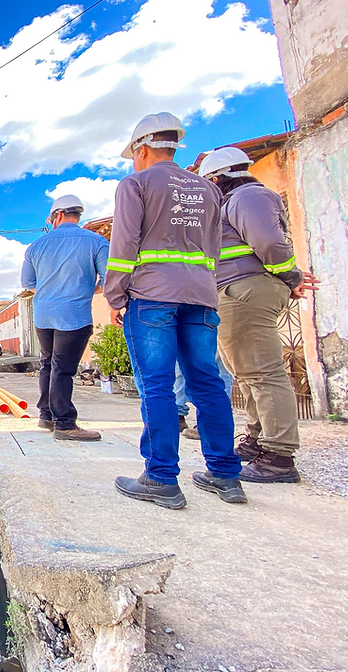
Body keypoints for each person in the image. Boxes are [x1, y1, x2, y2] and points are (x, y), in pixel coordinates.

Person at [105, 113, 245, 508]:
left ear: (142, 149)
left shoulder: (136, 184)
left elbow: (124, 246)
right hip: (201, 296)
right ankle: (225, 475)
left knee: (158, 386)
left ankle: (161, 477)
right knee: (208, 384)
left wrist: (116, 296)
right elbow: (213, 249)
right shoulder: (208, 189)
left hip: (151, 296)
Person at [198, 147, 319, 483]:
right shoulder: (234, 201)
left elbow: (269, 243)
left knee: (263, 372)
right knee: (247, 371)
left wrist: (289, 275)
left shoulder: (248, 196)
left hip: (247, 290)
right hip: (237, 290)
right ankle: (257, 438)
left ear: (218, 178)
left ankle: (279, 456)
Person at [21, 194, 108, 441]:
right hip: (75, 315)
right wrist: (87, 289)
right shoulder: (96, 242)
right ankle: (65, 423)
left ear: (57, 216)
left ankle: (46, 415)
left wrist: (50, 290)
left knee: (48, 363)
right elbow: (109, 278)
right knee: (63, 368)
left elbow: (28, 283)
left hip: (44, 316)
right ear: (76, 215)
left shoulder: (36, 246)